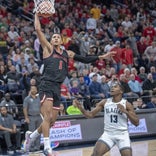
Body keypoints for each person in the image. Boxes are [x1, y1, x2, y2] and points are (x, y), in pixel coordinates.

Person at [23, 12, 115, 156]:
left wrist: (101, 57)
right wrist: (36, 15)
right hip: (46, 84)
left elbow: (84, 59)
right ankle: (47, 148)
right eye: (53, 37)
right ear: (51, 40)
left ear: (61, 40)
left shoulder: (68, 53)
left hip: (57, 87)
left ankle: (32, 136)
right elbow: (38, 30)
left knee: (52, 121)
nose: (55, 38)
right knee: (47, 118)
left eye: (57, 37)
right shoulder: (48, 49)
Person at [75, 83, 139, 156]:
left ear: (121, 91)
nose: (112, 88)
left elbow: (136, 123)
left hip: (122, 134)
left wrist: (126, 112)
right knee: (95, 154)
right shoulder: (105, 102)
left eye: (115, 87)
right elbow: (90, 115)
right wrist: (80, 108)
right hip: (108, 134)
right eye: (111, 87)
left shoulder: (126, 104)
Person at [23, 85, 42, 152]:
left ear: (37, 90)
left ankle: (38, 147)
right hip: (31, 117)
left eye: (34, 89)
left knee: (38, 132)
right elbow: (25, 109)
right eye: (32, 89)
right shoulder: (27, 99)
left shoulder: (39, 98)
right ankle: (31, 147)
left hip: (39, 117)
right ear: (30, 90)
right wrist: (26, 117)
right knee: (32, 133)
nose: (33, 90)